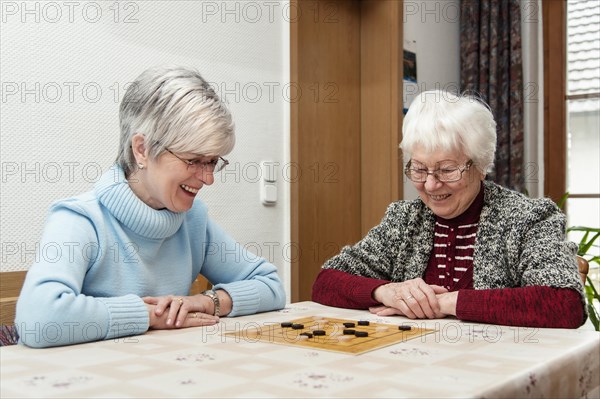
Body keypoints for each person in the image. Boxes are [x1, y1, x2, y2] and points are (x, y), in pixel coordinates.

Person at [15, 65, 286, 348]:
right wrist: (150, 315)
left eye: (213, 161)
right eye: (193, 160)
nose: (208, 178)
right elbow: (38, 320)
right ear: (142, 149)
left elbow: (271, 286)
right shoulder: (80, 219)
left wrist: (208, 301)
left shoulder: (193, 220)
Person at [312, 90, 585, 328]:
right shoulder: (404, 220)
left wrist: (446, 303)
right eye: (419, 169)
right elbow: (325, 282)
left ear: (480, 167)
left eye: (446, 170)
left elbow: (564, 303)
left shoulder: (527, 218)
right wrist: (385, 291)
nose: (430, 185)